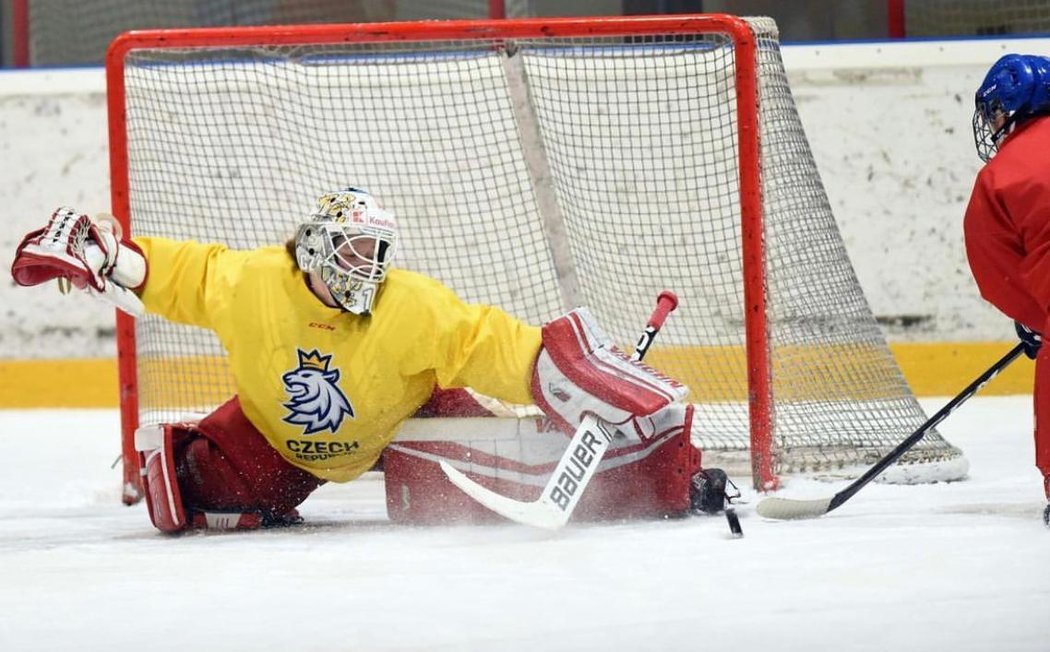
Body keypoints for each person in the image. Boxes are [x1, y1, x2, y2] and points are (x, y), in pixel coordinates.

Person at [10, 188, 727, 533]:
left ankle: (650, 481)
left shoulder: (410, 306)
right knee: (190, 493)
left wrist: (568, 373)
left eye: (377, 255)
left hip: (401, 425)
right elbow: (172, 274)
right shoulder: (252, 284)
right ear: (318, 249)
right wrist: (105, 256)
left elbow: (490, 344)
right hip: (276, 435)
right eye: (355, 252)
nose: (369, 269)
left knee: (483, 479)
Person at [964, 53, 1050, 527]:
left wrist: (1037, 320)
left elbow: (996, 272)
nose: (992, 120)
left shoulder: (999, 176)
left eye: (995, 109)